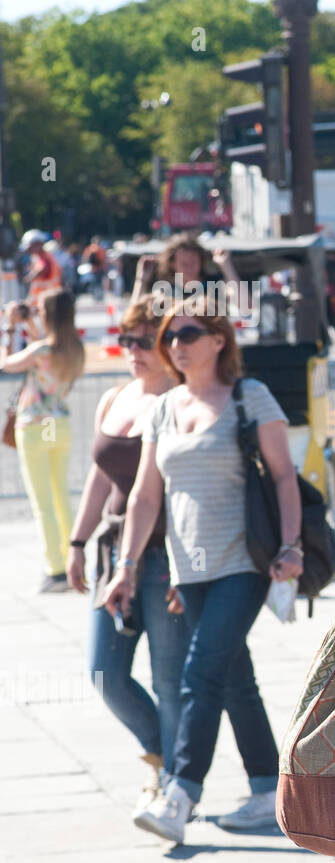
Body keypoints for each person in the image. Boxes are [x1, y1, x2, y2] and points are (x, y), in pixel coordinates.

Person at [103, 293, 302, 843]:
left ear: (219, 340)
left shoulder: (249, 397)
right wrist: (125, 567)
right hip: (186, 569)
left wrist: (292, 546)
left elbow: (286, 478)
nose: (175, 345)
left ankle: (179, 793)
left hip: (244, 562)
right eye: (170, 336)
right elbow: (146, 497)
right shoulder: (163, 409)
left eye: (188, 334)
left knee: (200, 671)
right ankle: (270, 789)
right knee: (235, 678)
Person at [66, 298, 188, 816]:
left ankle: (176, 786)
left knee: (167, 677)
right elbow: (100, 477)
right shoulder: (116, 396)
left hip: (164, 555)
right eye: (127, 339)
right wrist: (76, 542)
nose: (132, 350)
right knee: (103, 673)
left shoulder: (183, 403)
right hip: (111, 550)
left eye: (143, 341)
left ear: (167, 347)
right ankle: (168, 760)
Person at [0, 289, 85, 592]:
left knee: (42, 501)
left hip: (35, 426)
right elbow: (46, 351)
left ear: (47, 314)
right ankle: (72, 559)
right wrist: (31, 325)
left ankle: (55, 568)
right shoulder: (74, 349)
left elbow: (6, 363)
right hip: (57, 424)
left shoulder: (40, 350)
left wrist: (10, 328)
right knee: (60, 496)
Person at [21, 230, 63, 301]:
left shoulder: (44, 257)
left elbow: (43, 269)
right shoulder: (41, 257)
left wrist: (28, 278)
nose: (29, 250)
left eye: (30, 247)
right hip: (47, 298)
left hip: (47, 298)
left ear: (38, 244)